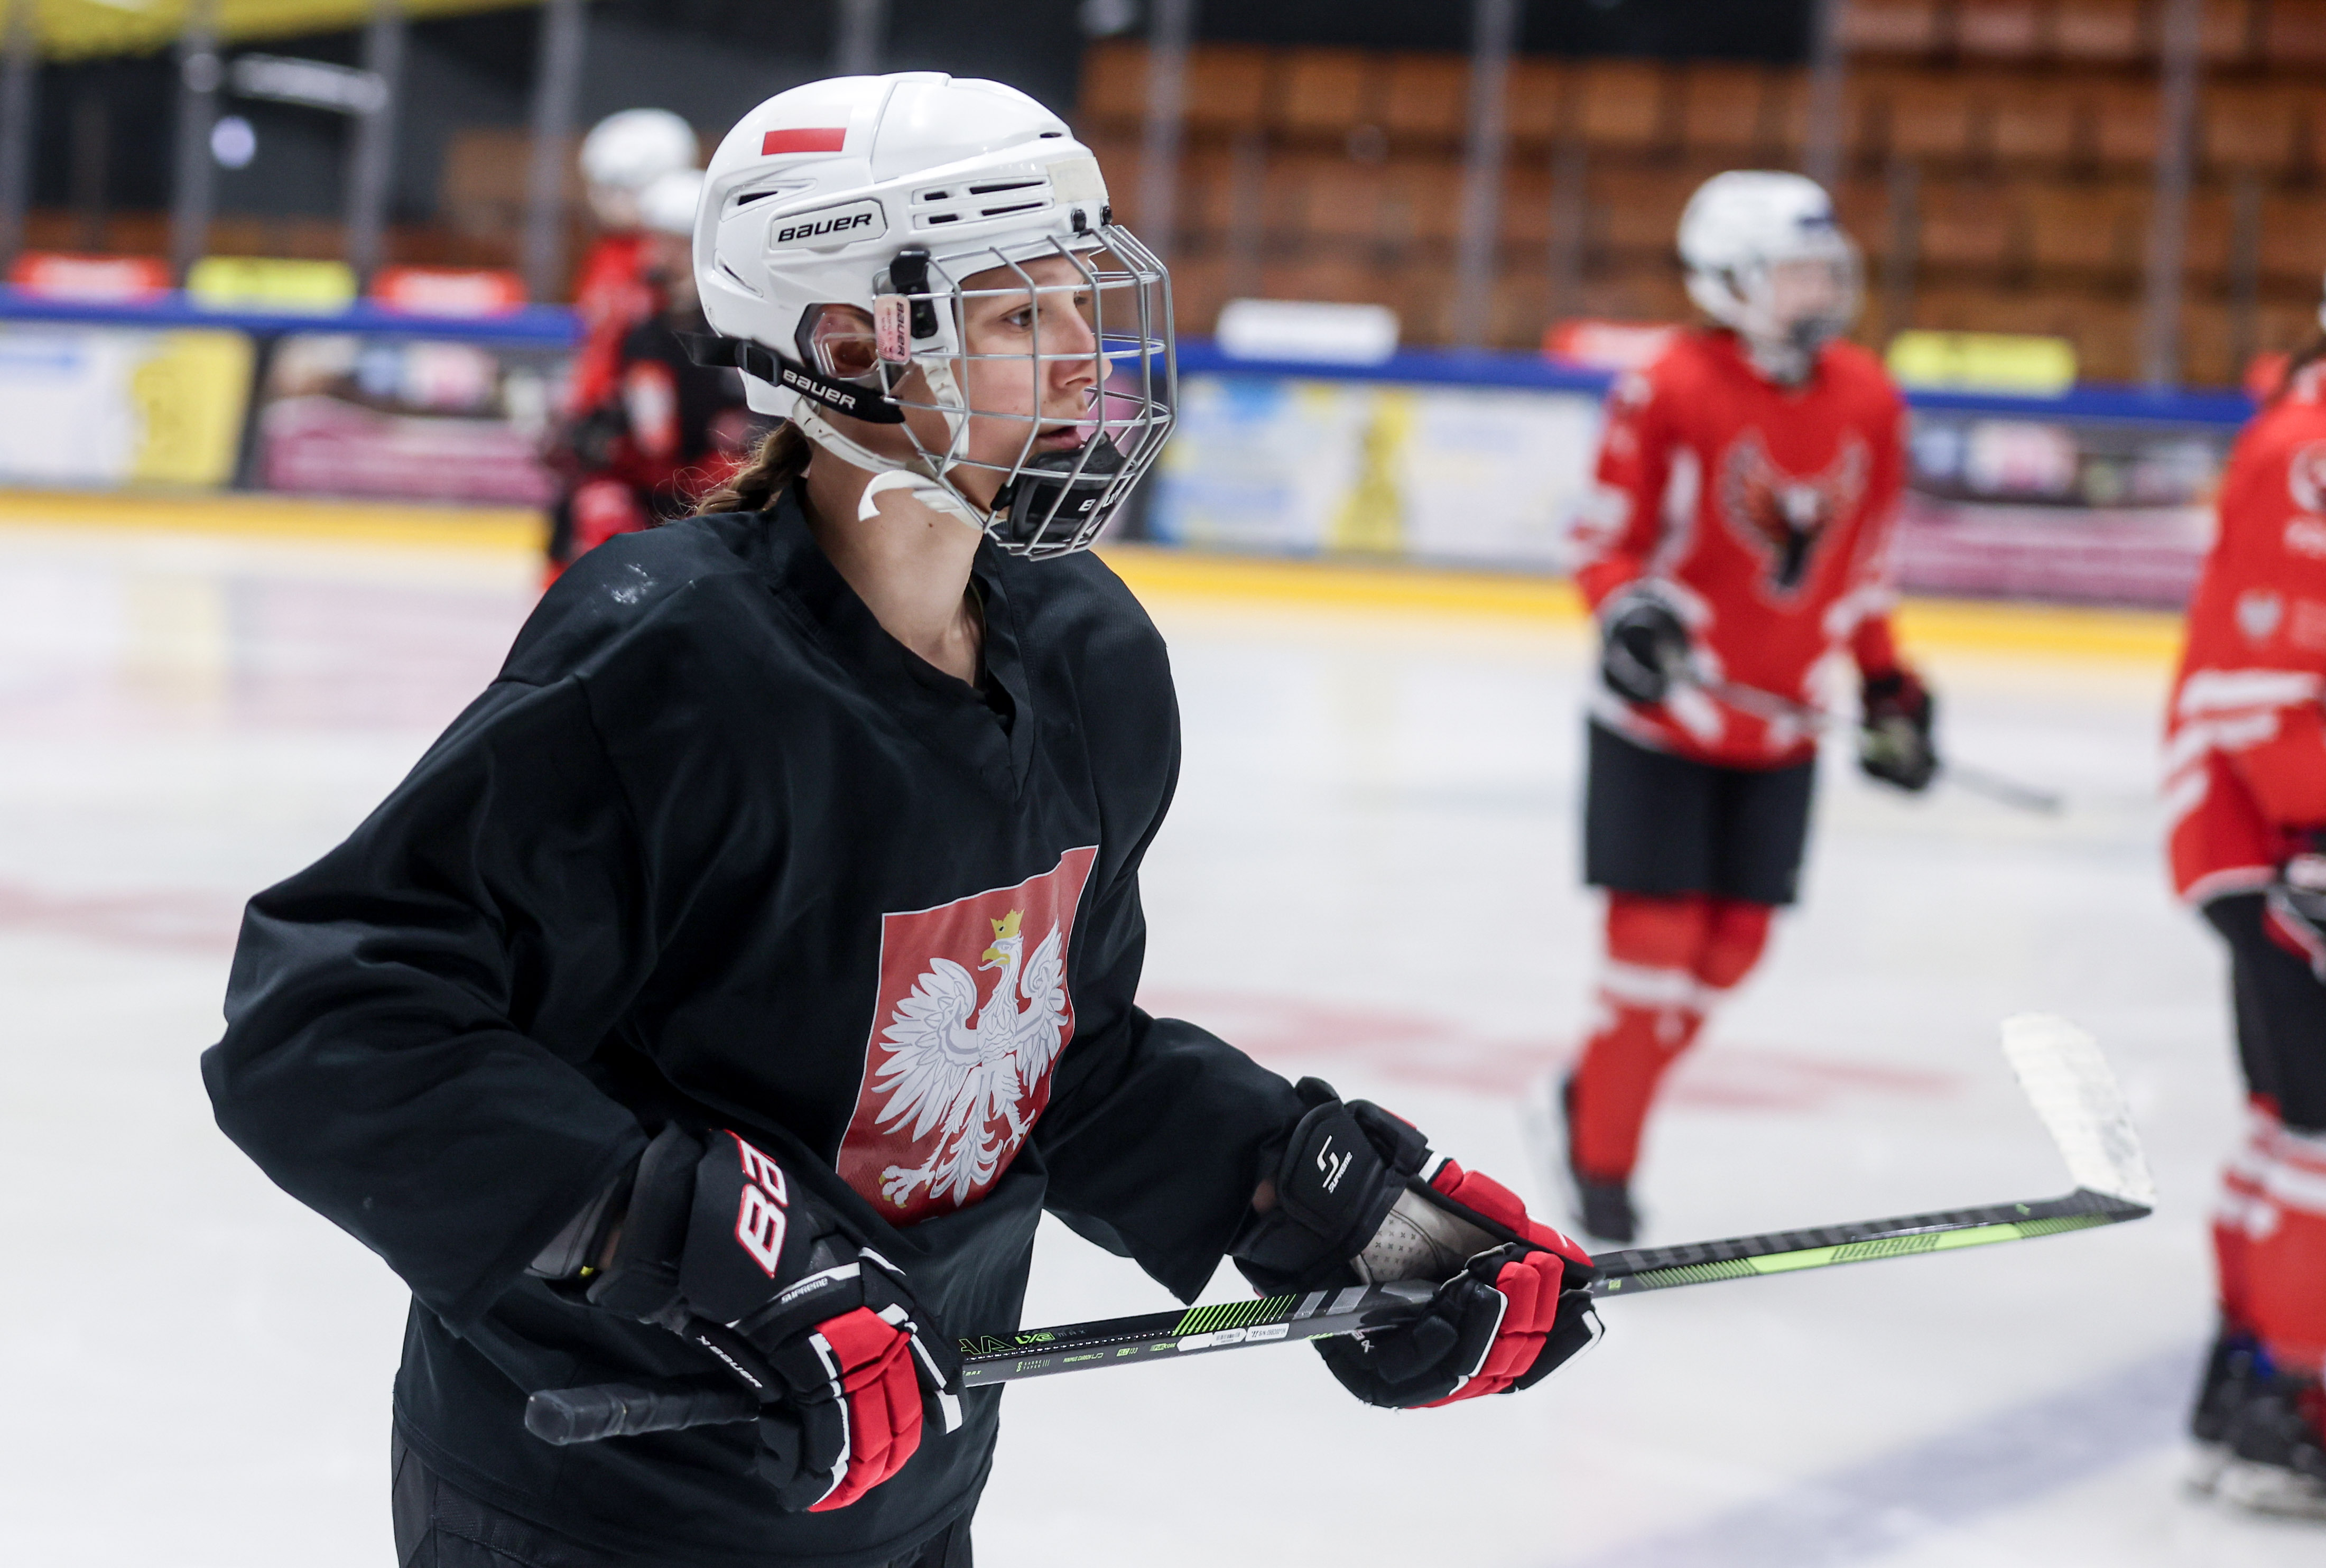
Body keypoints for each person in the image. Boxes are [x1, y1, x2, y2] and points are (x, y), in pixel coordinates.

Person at [203, 74, 1599, 1568]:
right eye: (1018, 314)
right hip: (607, 1507)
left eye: (1079, 298)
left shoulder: (1091, 657)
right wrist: (672, 1229)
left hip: (903, 1475)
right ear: (850, 345)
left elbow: (1048, 1053)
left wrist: (1315, 1195)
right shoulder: (670, 662)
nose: (1085, 357)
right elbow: (330, 1020)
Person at [1557, 171, 1938, 1244]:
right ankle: (1602, 1162)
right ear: (1726, 281)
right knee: (1649, 958)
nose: (1819, 290)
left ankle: (1592, 1090)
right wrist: (1629, 617)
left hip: (1781, 726)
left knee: (1730, 954)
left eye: (1825, 269)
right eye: (1793, 272)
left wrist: (1888, 680)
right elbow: (1601, 538)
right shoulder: (1666, 387)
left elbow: (1864, 564)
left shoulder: (1869, 395)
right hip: (1660, 725)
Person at [2165, 229, 2326, 1524]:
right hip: (2283, 843)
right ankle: (2280, 1401)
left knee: (2292, 1125)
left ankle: (2241, 1386)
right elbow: (2259, 686)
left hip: (2285, 837)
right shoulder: (2312, 456)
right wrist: (2325, 831)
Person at [548, 167, 753, 576]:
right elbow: (637, 414)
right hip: (656, 485)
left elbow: (754, 422)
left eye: (667, 243)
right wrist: (596, 432)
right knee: (596, 508)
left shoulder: (737, 329)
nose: (652, 254)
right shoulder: (643, 329)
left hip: (712, 487)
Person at [546, 108, 702, 578]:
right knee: (574, 535)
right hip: (612, 428)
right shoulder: (608, 257)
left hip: (663, 442)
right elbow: (599, 345)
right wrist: (581, 407)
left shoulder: (665, 266)